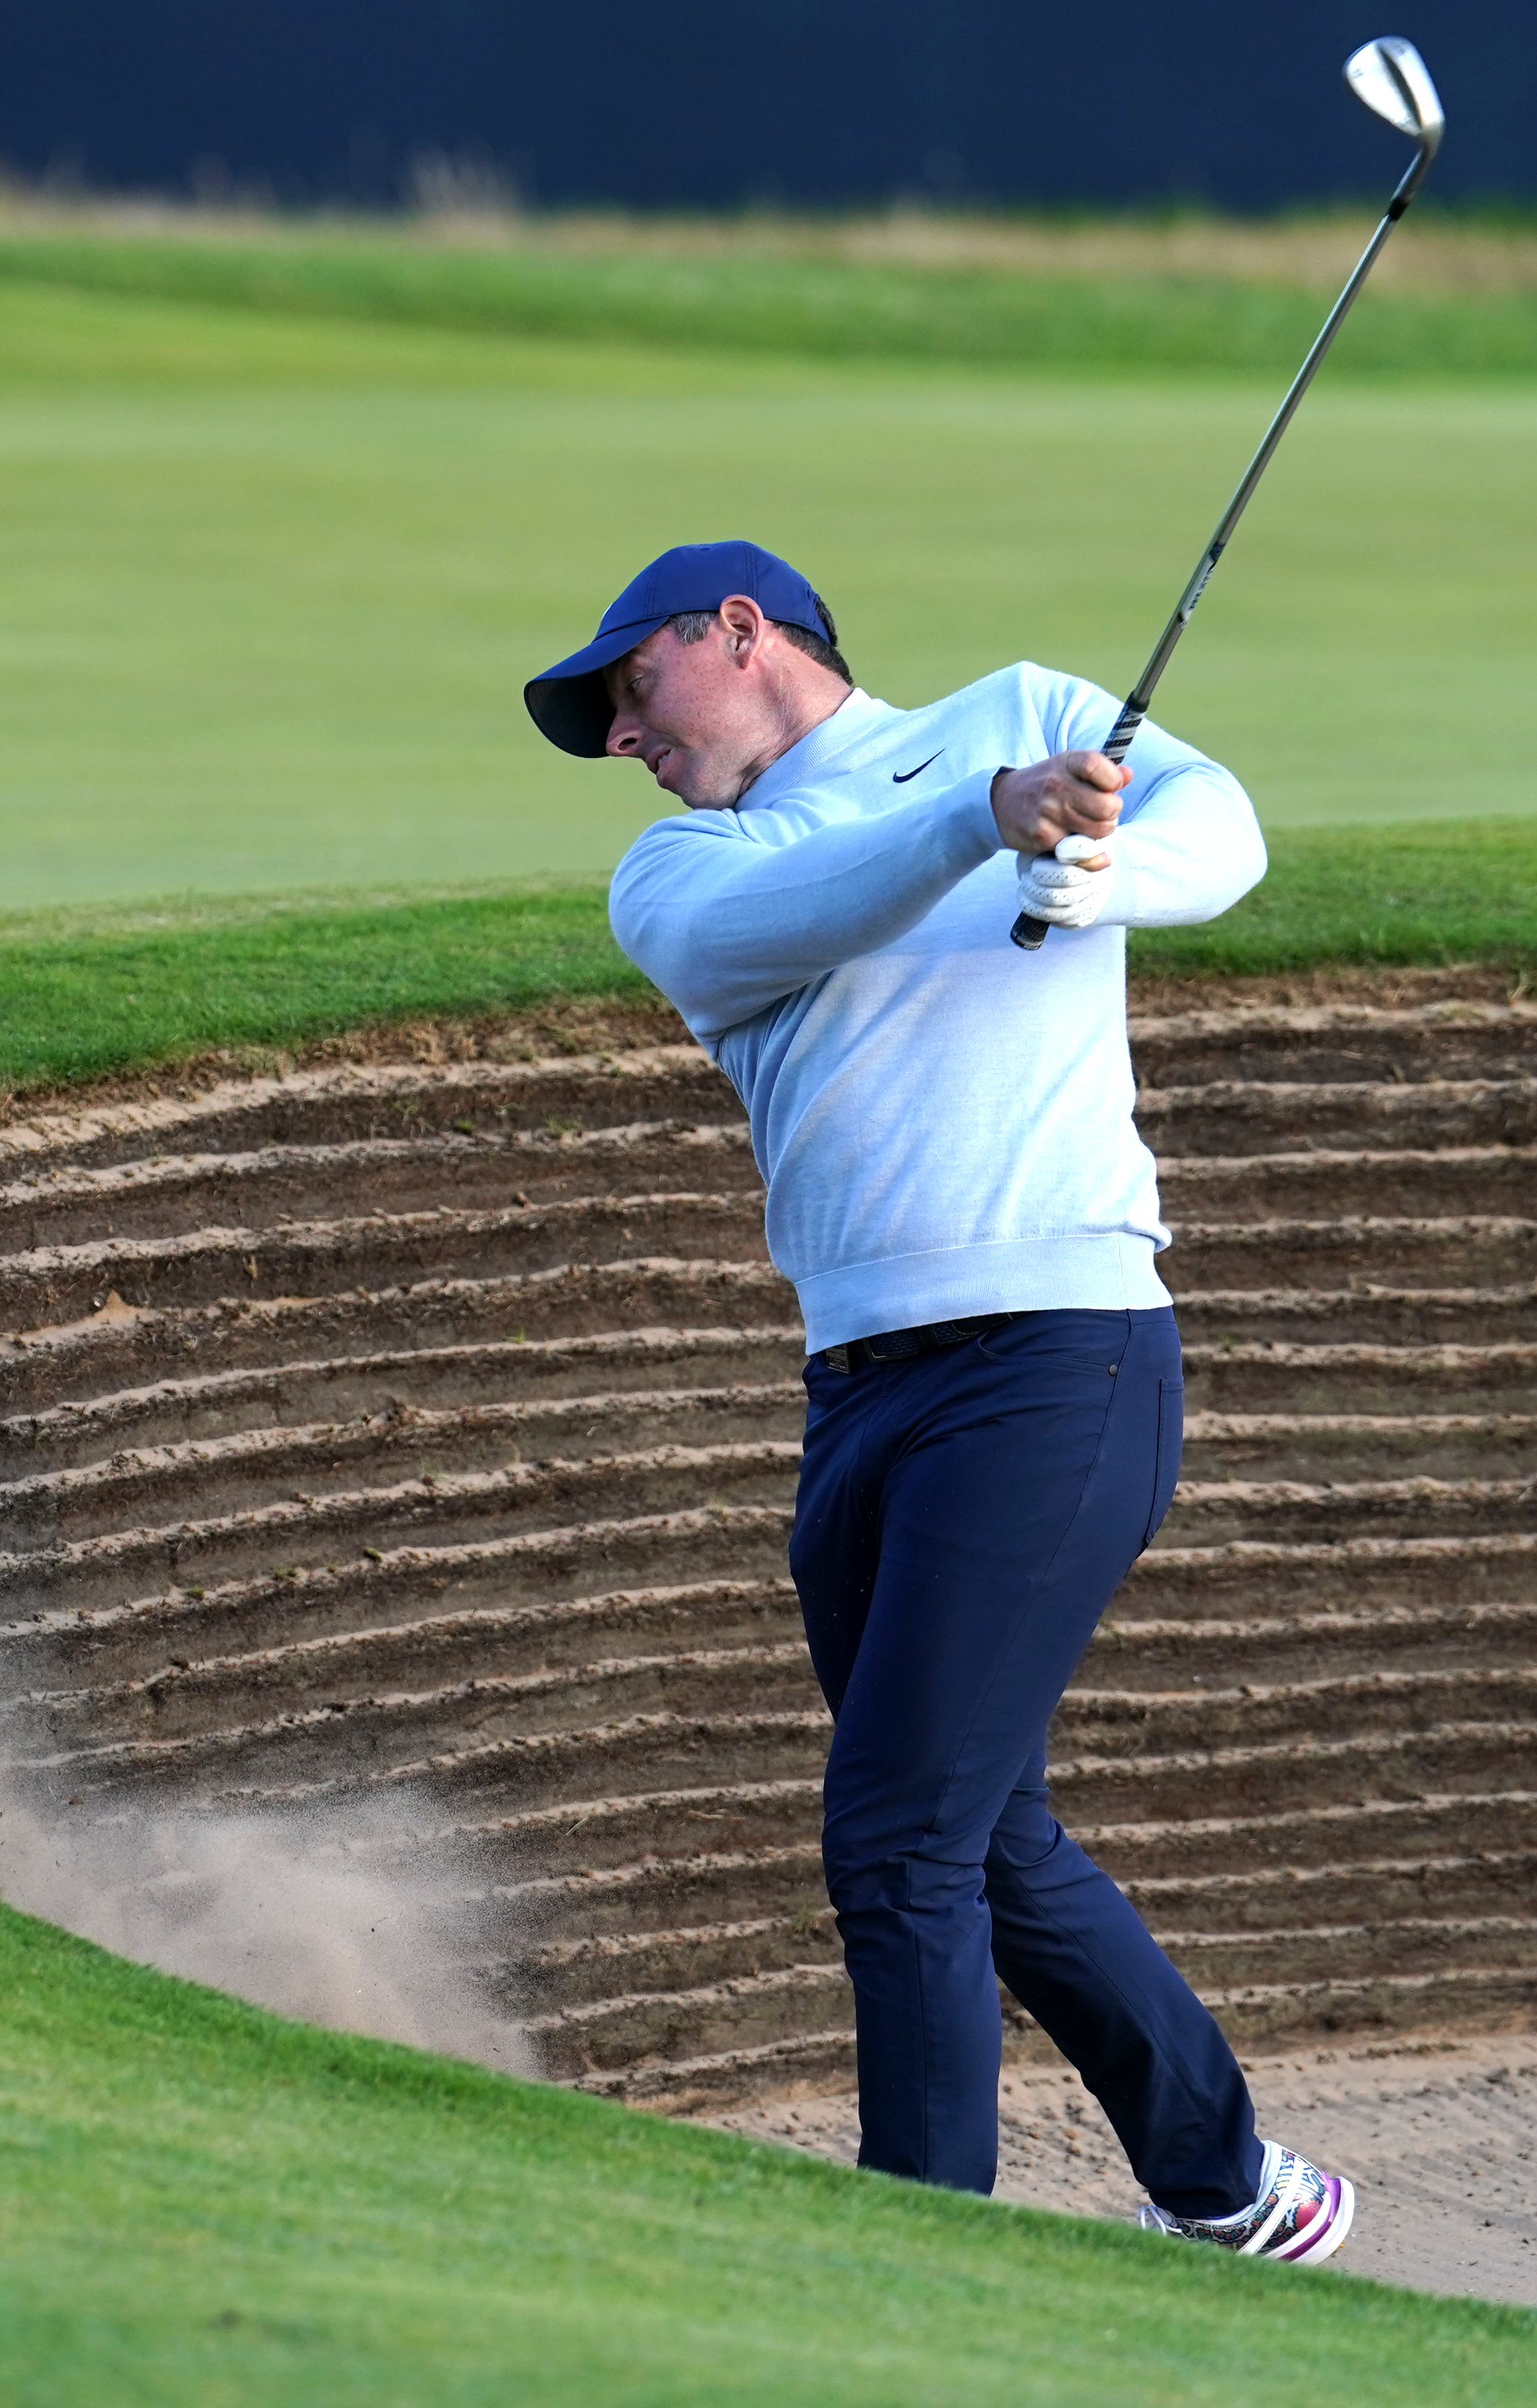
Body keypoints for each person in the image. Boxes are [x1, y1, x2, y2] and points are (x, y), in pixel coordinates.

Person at [526, 539, 1354, 2264]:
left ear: (736, 632)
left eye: (629, 686)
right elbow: (804, 911)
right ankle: (1226, 2177)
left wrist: (1099, 872)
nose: (619, 732)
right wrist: (992, 818)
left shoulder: (1031, 711)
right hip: (861, 1393)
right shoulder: (689, 864)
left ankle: (923, 2261)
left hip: (1060, 1349)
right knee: (981, 1827)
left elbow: (1228, 836)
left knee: (899, 1829)